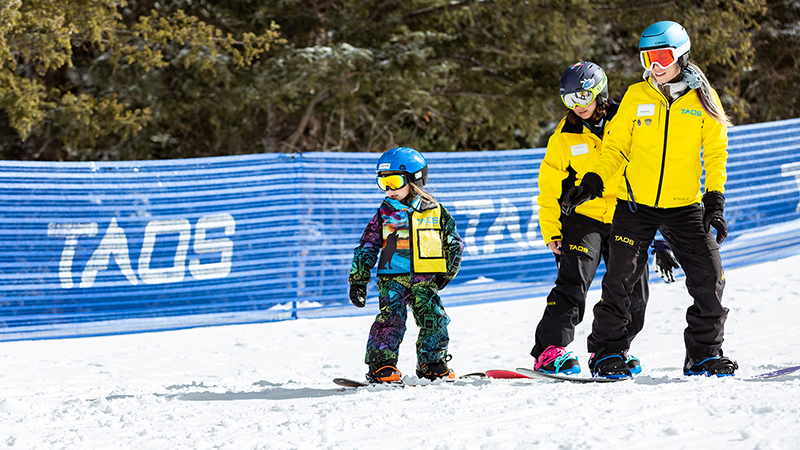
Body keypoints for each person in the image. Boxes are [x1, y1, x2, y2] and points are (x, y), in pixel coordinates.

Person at [562, 21, 738, 378]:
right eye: (648, 57)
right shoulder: (637, 96)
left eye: (662, 56)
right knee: (620, 281)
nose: (655, 66)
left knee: (710, 277)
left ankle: (704, 353)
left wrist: (715, 200)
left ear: (681, 56)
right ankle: (607, 353)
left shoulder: (703, 99)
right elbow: (616, 148)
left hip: (685, 205)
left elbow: (716, 154)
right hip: (634, 206)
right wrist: (593, 181)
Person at [532, 61, 677, 375]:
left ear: (600, 93)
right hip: (583, 218)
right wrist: (552, 230)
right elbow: (548, 187)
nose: (577, 106)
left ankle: (612, 349)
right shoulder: (564, 136)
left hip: (628, 215)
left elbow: (653, 168)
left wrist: (662, 230)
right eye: (569, 100)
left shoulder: (627, 120)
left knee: (634, 289)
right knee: (573, 282)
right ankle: (550, 350)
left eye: (582, 97)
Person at [348, 147, 463, 383]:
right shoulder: (385, 214)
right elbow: (367, 245)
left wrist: (446, 274)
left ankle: (432, 363)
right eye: (383, 183)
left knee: (435, 318)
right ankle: (382, 366)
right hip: (392, 280)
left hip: (424, 281)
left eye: (394, 181)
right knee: (391, 319)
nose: (389, 189)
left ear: (415, 179)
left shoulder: (436, 212)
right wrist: (358, 280)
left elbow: (454, 244)